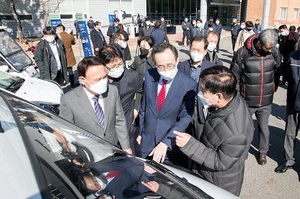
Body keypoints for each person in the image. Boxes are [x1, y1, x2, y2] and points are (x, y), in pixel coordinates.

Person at [174, 65, 254, 196]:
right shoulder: (229, 100)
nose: (200, 92)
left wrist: (190, 145)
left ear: (218, 96)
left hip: (218, 183)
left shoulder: (236, 132)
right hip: (204, 171)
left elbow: (221, 162)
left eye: (204, 90)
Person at [137, 43, 197, 163]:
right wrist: (141, 132)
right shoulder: (150, 75)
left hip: (169, 147)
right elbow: (144, 106)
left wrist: (166, 142)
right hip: (146, 141)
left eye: (170, 65)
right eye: (161, 67)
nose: (166, 70)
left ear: (177, 60)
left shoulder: (188, 84)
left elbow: (185, 117)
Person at [59, 56, 132, 155]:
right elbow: (66, 132)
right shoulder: (68, 100)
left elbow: (119, 120)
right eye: (97, 80)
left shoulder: (112, 91)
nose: (103, 81)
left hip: (113, 149)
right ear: (82, 80)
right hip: (88, 154)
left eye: (104, 77)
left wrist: (126, 147)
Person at [230, 29, 281, 165]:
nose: (271, 51)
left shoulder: (274, 52)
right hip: (247, 99)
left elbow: (277, 70)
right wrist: (238, 95)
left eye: (272, 48)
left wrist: (273, 87)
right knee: (245, 129)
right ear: (259, 43)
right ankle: (244, 151)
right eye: (268, 48)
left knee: (264, 128)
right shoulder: (243, 53)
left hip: (265, 100)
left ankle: (262, 152)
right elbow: (234, 76)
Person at [98, 46, 143, 154]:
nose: (117, 68)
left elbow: (141, 92)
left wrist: (136, 109)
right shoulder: (97, 79)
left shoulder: (133, 76)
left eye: (119, 64)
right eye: (113, 66)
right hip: (103, 131)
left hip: (126, 127)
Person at [178, 36, 215, 148]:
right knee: (182, 141)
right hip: (184, 109)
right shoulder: (181, 66)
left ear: (205, 51)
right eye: (193, 49)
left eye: (198, 50)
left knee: (200, 140)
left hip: (201, 110)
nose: (195, 52)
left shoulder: (212, 68)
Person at [274, 49, 300, 173]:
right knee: (290, 133)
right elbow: (287, 77)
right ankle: (289, 160)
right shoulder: (293, 57)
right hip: (293, 101)